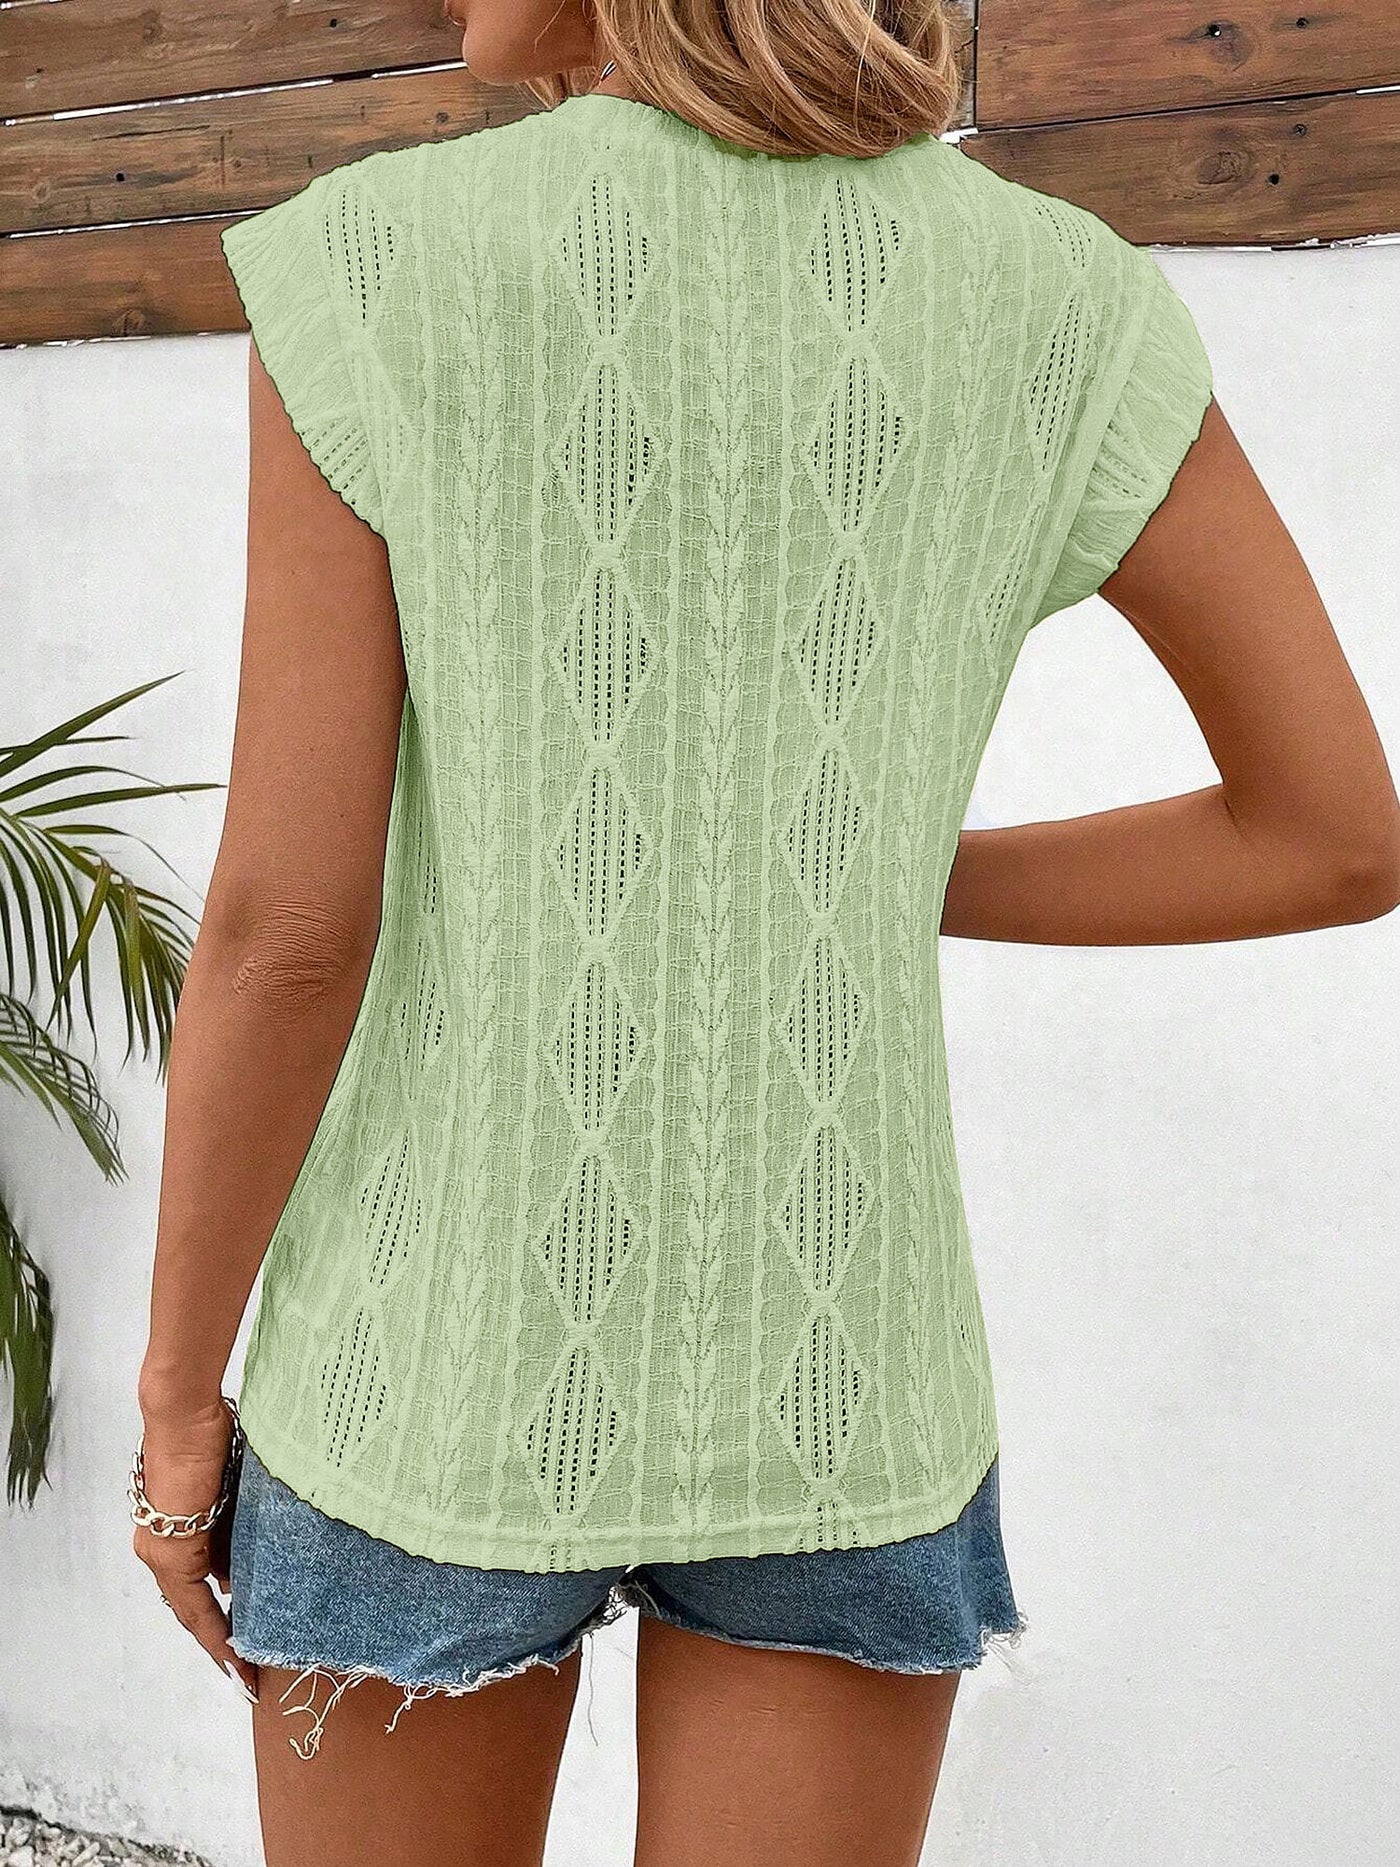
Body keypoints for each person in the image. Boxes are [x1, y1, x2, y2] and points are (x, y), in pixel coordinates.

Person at [131, 3, 1400, 1863]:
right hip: (847, 1377)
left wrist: (179, 1409)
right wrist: (844, 871)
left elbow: (288, 933)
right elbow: (1336, 835)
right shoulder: (1065, 296)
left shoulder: (384, 259)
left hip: (426, 1367)